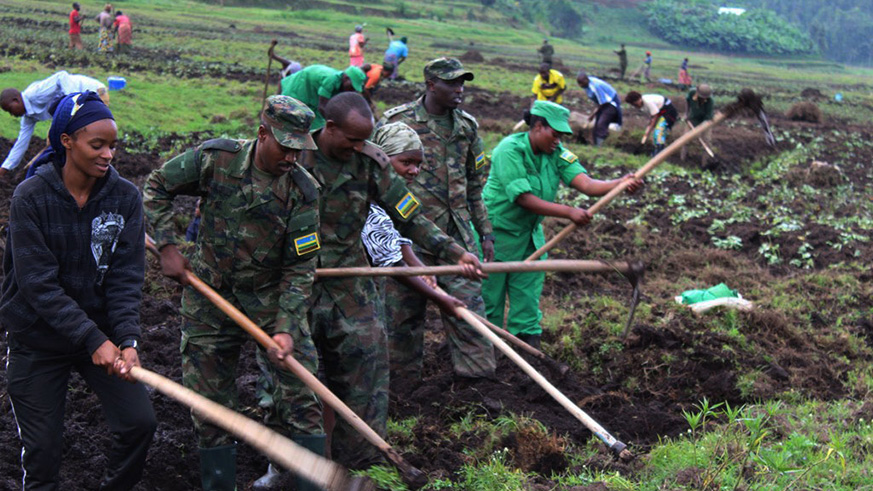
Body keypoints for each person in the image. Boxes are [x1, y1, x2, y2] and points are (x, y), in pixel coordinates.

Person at [143, 96, 323, 491]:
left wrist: (288, 326)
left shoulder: (304, 192)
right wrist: (169, 247)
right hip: (208, 294)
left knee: (302, 393)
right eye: (285, 147)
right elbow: (157, 185)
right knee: (209, 405)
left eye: (299, 149)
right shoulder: (216, 160)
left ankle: (308, 479)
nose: (292, 157)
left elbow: (300, 267)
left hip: (269, 298)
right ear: (262, 134)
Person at [300, 92, 483, 470]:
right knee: (295, 380)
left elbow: (409, 216)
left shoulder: (371, 163)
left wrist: (454, 252)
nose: (358, 147)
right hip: (296, 279)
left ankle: (359, 467)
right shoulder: (296, 155)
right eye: (351, 139)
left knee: (366, 370)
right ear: (329, 128)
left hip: (351, 283)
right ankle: (293, 464)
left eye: (364, 140)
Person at [1, 90, 156, 490]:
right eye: (97, 145)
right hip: (37, 337)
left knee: (139, 423)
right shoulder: (30, 198)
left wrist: (126, 339)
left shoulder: (125, 198)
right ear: (66, 141)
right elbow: (38, 286)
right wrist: (92, 338)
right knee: (43, 453)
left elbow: (125, 278)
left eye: (112, 145)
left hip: (101, 333)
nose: (108, 155)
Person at [482, 100, 643, 347]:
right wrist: (569, 212)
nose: (558, 140)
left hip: (529, 240)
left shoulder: (557, 153)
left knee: (526, 302)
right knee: (489, 302)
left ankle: (525, 356)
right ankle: (484, 354)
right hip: (494, 238)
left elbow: (587, 185)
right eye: (554, 134)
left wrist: (620, 183)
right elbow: (524, 199)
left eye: (561, 135)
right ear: (537, 126)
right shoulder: (509, 150)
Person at [378, 57, 497, 383]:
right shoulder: (397, 122)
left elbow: (475, 185)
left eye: (463, 83)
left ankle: (478, 385)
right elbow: (377, 176)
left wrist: (484, 231)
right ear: (431, 84)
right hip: (407, 234)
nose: (460, 90)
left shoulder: (467, 127)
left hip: (455, 236)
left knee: (468, 312)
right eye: (452, 83)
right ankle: (402, 389)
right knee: (403, 317)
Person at [364, 122, 469, 390]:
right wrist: (440, 298)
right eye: (406, 163)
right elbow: (392, 258)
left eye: (418, 164)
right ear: (384, 158)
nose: (414, 171)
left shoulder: (396, 192)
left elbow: (406, 228)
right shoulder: (362, 192)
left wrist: (424, 267)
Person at [1, 71, 110, 178]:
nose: (12, 114)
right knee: (62, 140)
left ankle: (98, 170)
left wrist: (71, 102)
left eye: (10, 109)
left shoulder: (34, 94)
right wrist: (4, 168)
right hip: (78, 107)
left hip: (94, 92)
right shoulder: (28, 118)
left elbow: (61, 76)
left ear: (16, 100)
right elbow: (21, 143)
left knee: (87, 136)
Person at [280, 64, 366, 131]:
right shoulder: (331, 80)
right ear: (346, 78)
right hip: (302, 86)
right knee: (293, 118)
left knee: (317, 124)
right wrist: (336, 124)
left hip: (313, 96)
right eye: (352, 87)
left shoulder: (341, 85)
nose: (352, 91)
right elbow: (322, 106)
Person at [576, 71, 622, 146]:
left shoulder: (595, 86)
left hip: (610, 104)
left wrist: (593, 115)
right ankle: (597, 144)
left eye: (581, 83)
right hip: (604, 104)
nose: (580, 85)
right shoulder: (587, 85)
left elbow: (602, 103)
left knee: (601, 124)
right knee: (596, 126)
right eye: (579, 83)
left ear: (586, 80)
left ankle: (601, 146)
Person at [625, 90, 678, 155]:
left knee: (659, 131)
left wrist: (649, 129)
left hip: (669, 112)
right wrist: (648, 129)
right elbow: (653, 117)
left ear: (638, 99)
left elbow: (655, 117)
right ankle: (656, 151)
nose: (635, 106)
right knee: (656, 134)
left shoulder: (648, 101)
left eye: (634, 104)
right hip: (661, 112)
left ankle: (659, 152)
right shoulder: (643, 105)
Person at [681, 83, 714, 167]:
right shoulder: (692, 93)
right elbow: (687, 102)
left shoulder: (710, 101)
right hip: (692, 119)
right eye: (702, 97)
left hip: (705, 122)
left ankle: (704, 165)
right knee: (685, 139)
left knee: (707, 141)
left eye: (705, 98)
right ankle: (682, 161)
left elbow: (708, 117)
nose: (704, 99)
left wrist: (700, 129)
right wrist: (686, 114)